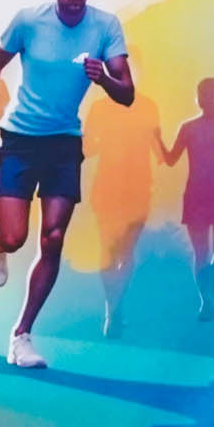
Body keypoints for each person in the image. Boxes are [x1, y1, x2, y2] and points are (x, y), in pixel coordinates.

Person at [0, 0, 135, 370]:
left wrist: (104, 77)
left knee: (52, 238)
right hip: (19, 139)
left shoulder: (105, 26)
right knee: (15, 238)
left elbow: (127, 93)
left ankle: (21, 335)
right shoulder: (29, 21)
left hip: (64, 143)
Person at [162, 77, 214, 320]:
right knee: (202, 253)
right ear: (198, 98)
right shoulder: (190, 128)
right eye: (206, 94)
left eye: (213, 95)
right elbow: (171, 159)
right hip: (200, 195)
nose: (210, 100)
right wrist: (156, 139)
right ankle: (205, 301)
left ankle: (212, 277)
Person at [86, 88, 160, 334]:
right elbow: (86, 148)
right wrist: (108, 143)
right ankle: (113, 308)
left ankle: (115, 307)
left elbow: (158, 148)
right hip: (110, 188)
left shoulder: (147, 106)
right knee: (111, 251)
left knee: (123, 251)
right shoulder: (100, 108)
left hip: (136, 188)